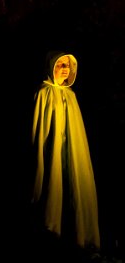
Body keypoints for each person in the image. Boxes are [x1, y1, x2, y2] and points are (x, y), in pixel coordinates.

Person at [31, 50, 100, 249]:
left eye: (67, 65)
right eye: (60, 64)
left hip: (71, 152)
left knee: (74, 186)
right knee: (53, 185)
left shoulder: (71, 96)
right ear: (51, 67)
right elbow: (39, 128)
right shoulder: (43, 93)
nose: (64, 69)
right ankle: (51, 235)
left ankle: (79, 237)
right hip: (52, 151)